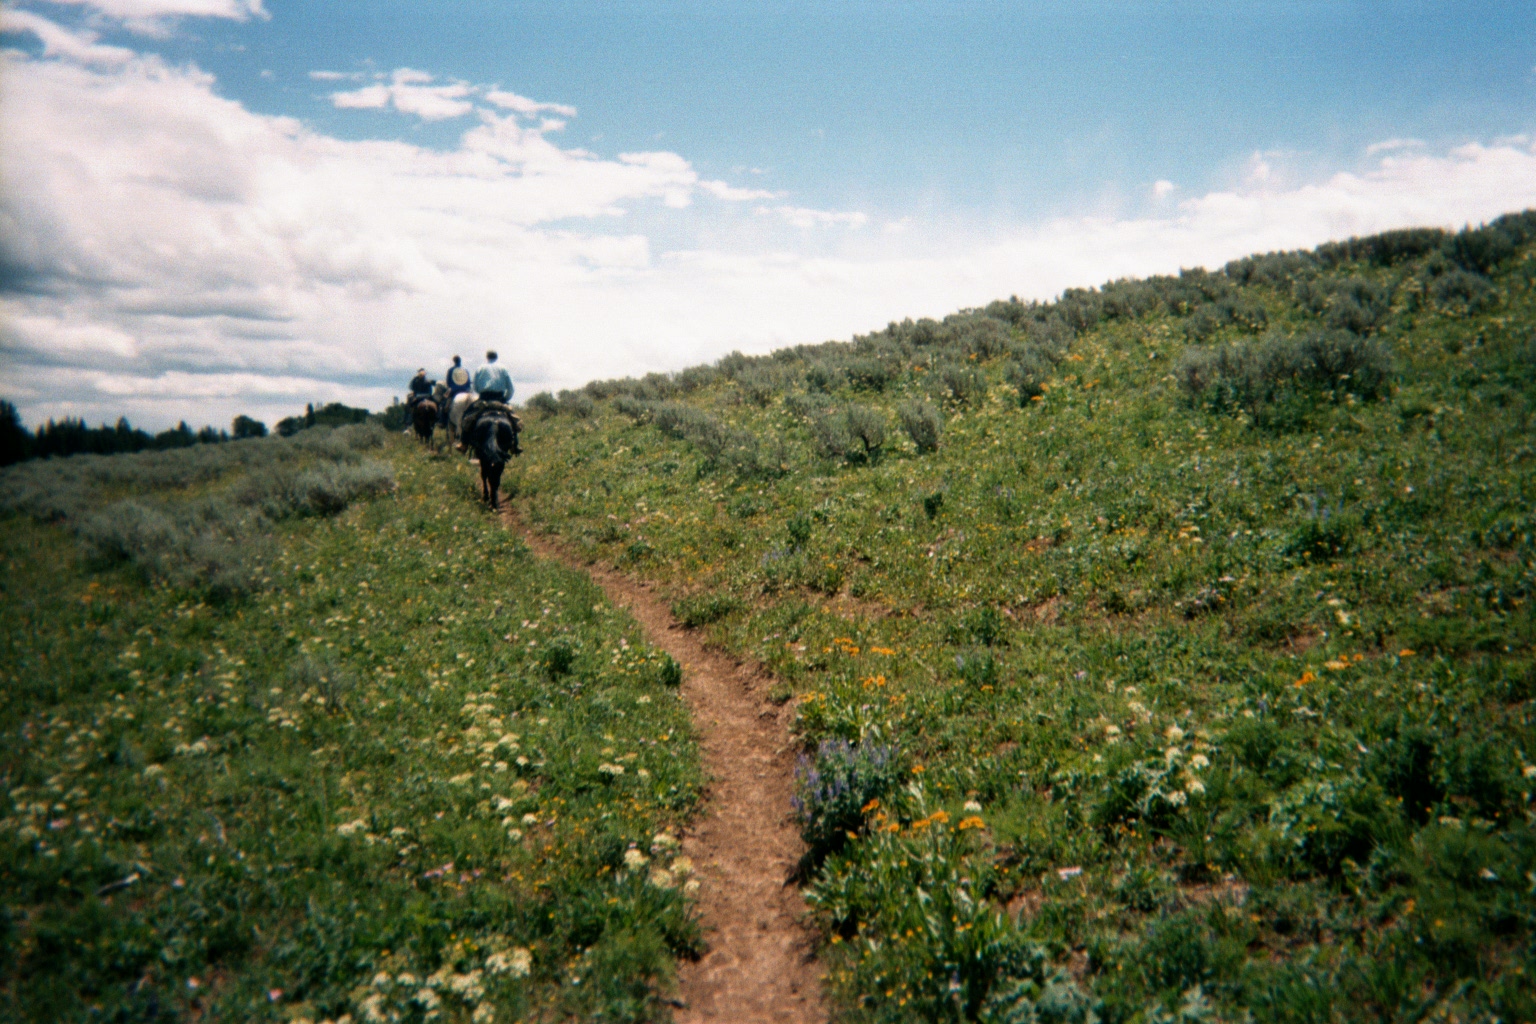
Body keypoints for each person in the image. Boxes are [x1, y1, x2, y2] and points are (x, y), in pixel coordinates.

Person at [461, 350, 520, 455]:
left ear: (487, 357)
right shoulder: (503, 368)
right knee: (514, 420)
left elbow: (475, 387)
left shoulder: (480, 368)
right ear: (496, 357)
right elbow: (511, 388)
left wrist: (481, 393)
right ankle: (515, 445)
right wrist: (505, 399)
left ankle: (464, 444)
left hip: (484, 398)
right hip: (500, 399)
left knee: (467, 416)